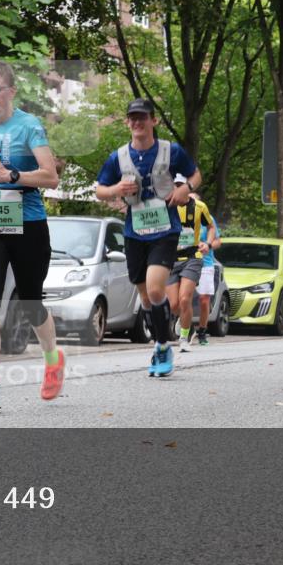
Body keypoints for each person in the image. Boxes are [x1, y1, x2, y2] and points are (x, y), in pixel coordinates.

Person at [0, 60, 63, 411]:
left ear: (11, 92)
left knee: (31, 301)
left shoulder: (29, 126)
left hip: (28, 223)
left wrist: (13, 176)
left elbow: (50, 177)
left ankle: (53, 360)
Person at [96, 98, 200, 376]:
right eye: (133, 118)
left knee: (156, 290)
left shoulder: (171, 151)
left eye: (143, 117)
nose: (137, 122)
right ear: (127, 122)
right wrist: (117, 187)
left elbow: (196, 175)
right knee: (145, 299)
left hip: (165, 230)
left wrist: (185, 189)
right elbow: (100, 190)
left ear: (154, 121)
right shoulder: (118, 157)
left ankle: (164, 345)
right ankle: (158, 344)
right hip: (134, 232)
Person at [166, 184, 215, 352]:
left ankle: (184, 339)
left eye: (180, 186)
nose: (177, 190)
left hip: (193, 257)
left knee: (185, 299)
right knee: (174, 305)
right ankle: (184, 318)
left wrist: (208, 243)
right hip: (170, 259)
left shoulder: (199, 206)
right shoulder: (166, 205)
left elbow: (211, 227)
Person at [193, 193, 221, 346]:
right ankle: (185, 325)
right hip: (185, 261)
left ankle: (202, 330)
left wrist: (208, 245)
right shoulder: (178, 215)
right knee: (182, 298)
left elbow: (218, 241)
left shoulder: (208, 219)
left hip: (205, 262)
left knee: (204, 300)